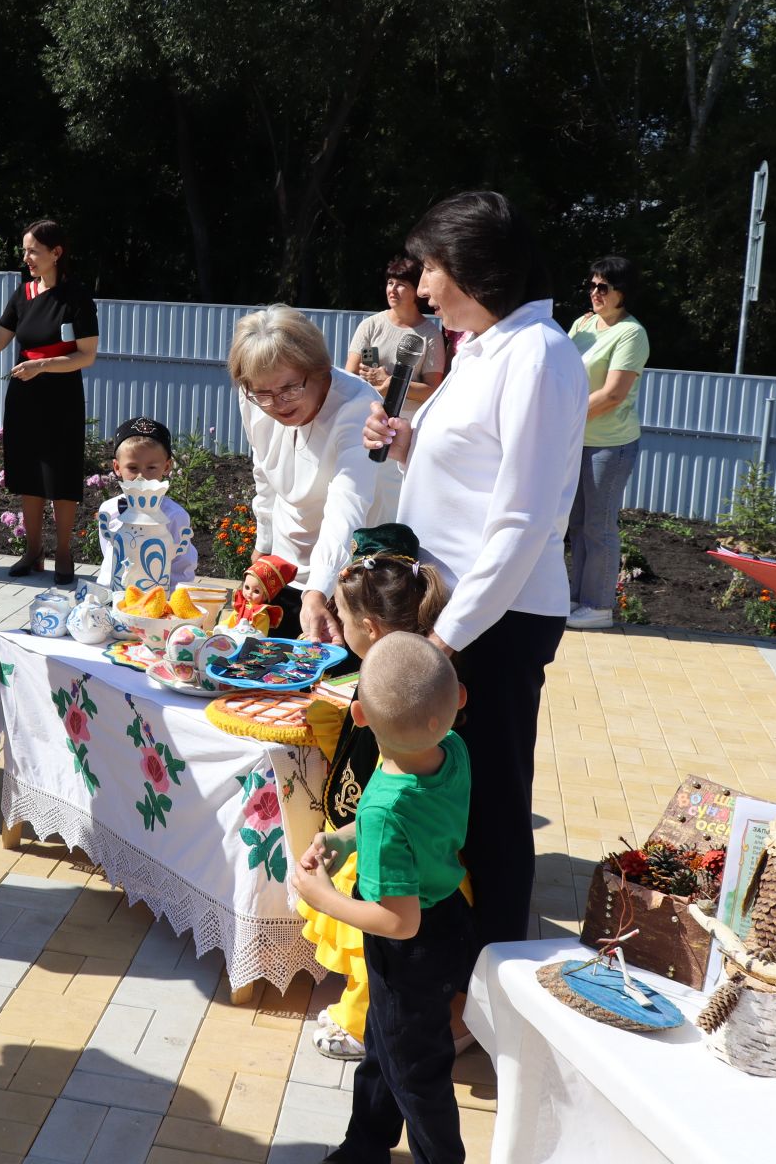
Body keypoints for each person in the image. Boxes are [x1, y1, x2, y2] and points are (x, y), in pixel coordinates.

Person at [364, 190, 588, 951]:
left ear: (473, 267)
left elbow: (523, 520)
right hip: (457, 614)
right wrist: (403, 442)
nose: (422, 289)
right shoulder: (487, 345)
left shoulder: (540, 353)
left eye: (430, 269)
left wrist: (445, 641)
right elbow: (471, 475)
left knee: (491, 803)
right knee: (453, 799)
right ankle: (458, 972)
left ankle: (491, 987)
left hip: (496, 619)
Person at [291, 633, 473, 1164]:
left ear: (360, 716)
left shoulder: (386, 810)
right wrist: (343, 837)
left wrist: (321, 896)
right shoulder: (454, 752)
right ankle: (365, 1146)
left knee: (418, 1076)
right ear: (458, 699)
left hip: (409, 953)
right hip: (451, 923)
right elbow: (420, 826)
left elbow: (398, 920)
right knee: (385, 1044)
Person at [298, 524, 450, 1062]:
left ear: (367, 625)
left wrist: (328, 897)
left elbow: (395, 919)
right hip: (434, 865)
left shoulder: (380, 698)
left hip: (389, 862)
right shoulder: (429, 692)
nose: (336, 626)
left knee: (373, 951)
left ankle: (363, 1027)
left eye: (339, 617)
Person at [0, 219, 99, 584]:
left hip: (61, 396)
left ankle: (63, 553)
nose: (26, 257)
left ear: (56, 253)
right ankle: (33, 551)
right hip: (24, 396)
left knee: (59, 474)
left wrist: (42, 366)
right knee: (29, 473)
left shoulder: (76, 297)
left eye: (33, 250)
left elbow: (86, 356)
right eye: (25, 250)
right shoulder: (22, 294)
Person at [231, 305, 382, 643]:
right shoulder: (255, 397)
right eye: (263, 394)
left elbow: (348, 507)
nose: (278, 404)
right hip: (285, 566)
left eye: (289, 389)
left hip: (351, 572)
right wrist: (264, 542)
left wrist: (318, 590)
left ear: (320, 369)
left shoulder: (358, 406)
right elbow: (264, 472)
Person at [565, 255, 650, 631]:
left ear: (623, 293)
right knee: (578, 523)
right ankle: (577, 600)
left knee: (599, 527)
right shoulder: (582, 324)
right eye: (592, 284)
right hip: (576, 441)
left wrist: (563, 419)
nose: (594, 292)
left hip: (610, 446)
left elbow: (613, 394)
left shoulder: (632, 333)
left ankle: (598, 606)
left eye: (604, 287)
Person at [345, 257, 446, 526]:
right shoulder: (371, 326)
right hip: (366, 427)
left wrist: (392, 383)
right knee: (361, 503)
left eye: (401, 284)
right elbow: (349, 374)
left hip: (404, 434)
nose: (392, 289)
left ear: (417, 291)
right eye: (390, 283)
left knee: (394, 509)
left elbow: (434, 391)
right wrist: (367, 377)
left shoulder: (430, 335)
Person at [94, 416, 197, 592]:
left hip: (155, 599)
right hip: (112, 595)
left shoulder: (174, 516)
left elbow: (182, 564)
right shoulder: (109, 509)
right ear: (117, 467)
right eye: (133, 468)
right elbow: (108, 550)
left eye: (151, 468)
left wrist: (174, 598)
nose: (141, 476)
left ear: (166, 467)